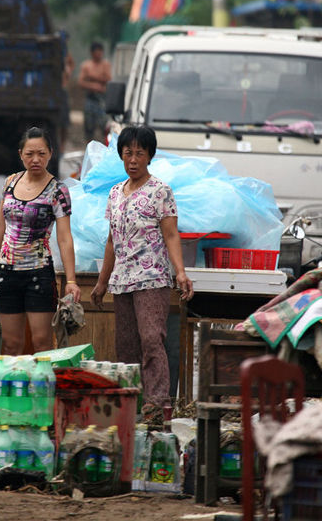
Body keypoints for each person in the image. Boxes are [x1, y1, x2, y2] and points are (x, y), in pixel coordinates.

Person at [91, 126, 193, 422]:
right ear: (121, 156)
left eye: (139, 153)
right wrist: (101, 283)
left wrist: (181, 273)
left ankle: (157, 407)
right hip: (121, 281)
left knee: (151, 339)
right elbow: (111, 240)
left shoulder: (160, 191)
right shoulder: (114, 193)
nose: (133, 159)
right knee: (126, 347)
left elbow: (172, 235)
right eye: (127, 153)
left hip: (152, 279)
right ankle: (130, 409)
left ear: (150, 156)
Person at [0, 126, 81, 355]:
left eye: (41, 153)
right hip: (7, 272)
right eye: (29, 154)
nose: (36, 159)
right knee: (11, 344)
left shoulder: (58, 191)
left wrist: (71, 280)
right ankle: (12, 389)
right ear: (20, 154)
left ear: (51, 153)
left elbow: (65, 238)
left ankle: (40, 391)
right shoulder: (10, 182)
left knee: (41, 343)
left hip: (38, 274)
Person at [78, 42, 112, 143]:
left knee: (104, 125)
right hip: (90, 98)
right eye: (96, 52)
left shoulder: (105, 64)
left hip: (102, 99)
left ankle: (105, 145)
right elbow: (81, 82)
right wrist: (93, 85)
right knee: (89, 126)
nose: (98, 55)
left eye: (100, 52)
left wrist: (93, 77)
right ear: (92, 53)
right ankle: (89, 146)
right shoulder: (86, 65)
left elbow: (109, 79)